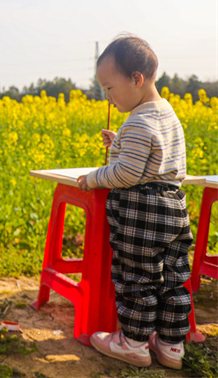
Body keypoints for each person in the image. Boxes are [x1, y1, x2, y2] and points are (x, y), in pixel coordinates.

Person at [76, 35, 190, 370]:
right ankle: (170, 345)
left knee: (137, 277)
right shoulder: (165, 113)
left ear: (136, 79)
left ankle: (134, 343)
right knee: (172, 277)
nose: (108, 98)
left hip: (142, 211)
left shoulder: (139, 121)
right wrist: (120, 142)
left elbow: (127, 174)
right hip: (173, 208)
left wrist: (96, 176)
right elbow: (155, 160)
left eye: (109, 88)